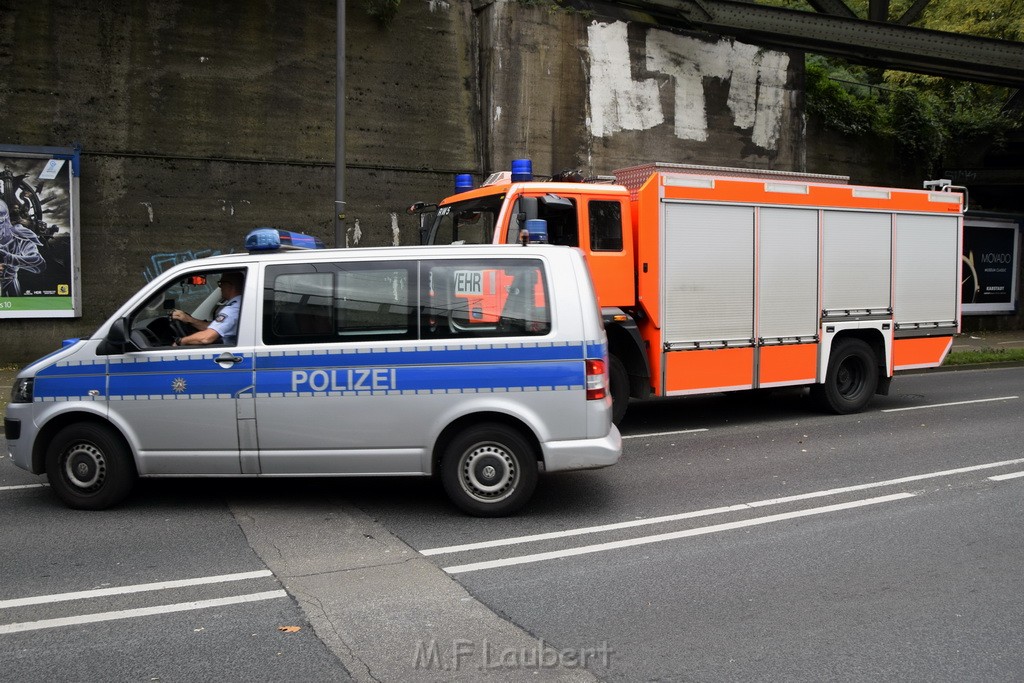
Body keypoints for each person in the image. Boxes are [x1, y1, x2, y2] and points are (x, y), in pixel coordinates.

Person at [171, 271, 243, 346]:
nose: (220, 287)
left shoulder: (233, 309)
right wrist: (189, 320)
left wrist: (180, 341)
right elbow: (214, 327)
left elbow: (206, 338)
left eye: (221, 283)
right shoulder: (241, 304)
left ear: (230, 286)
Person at [0, 199, 46, 296]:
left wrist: (8, 258)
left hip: (10, 288)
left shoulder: (19, 235)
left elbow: (39, 264)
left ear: (6, 219)